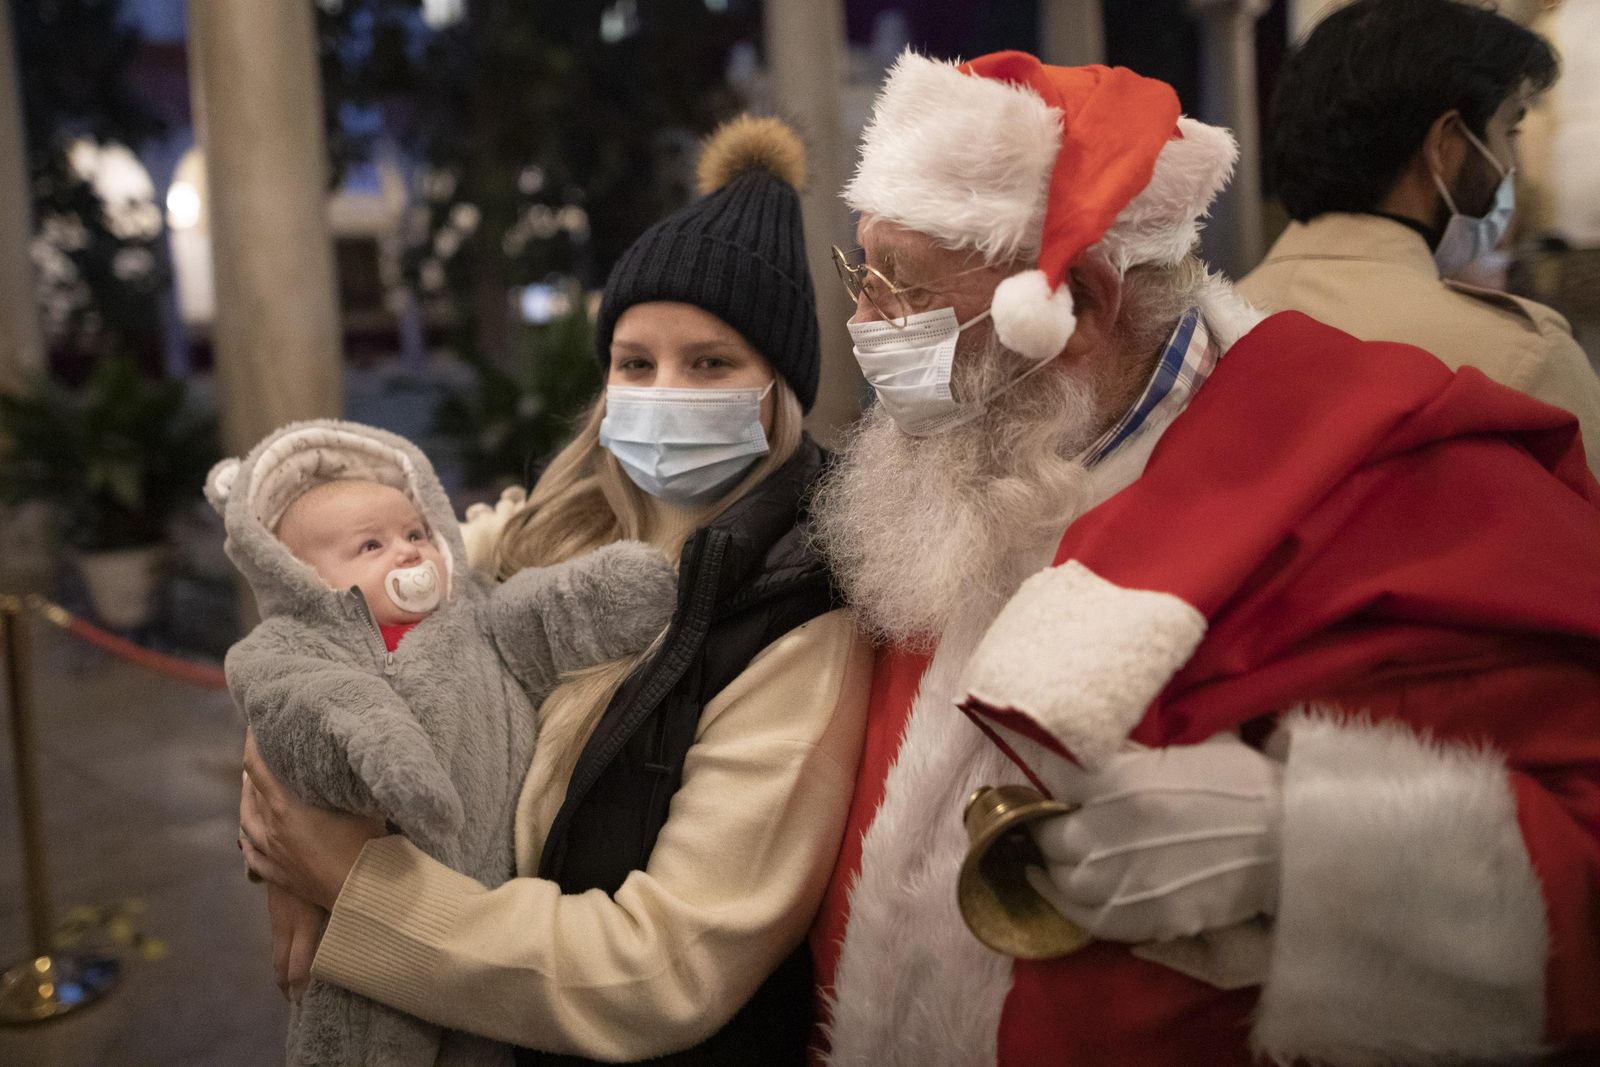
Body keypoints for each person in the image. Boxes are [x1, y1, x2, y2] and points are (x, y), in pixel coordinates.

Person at [808, 50, 1600, 1066]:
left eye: (904, 290)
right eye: (862, 275)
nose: (863, 321)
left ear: (1078, 304)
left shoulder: (1392, 481)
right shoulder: (959, 459)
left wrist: (1301, 847)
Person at [237, 115, 872, 1065]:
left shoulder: (799, 608)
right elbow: (336, 617)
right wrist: (284, 789)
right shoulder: (550, 521)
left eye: (710, 362)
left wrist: (351, 887)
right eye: (635, 361)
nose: (664, 389)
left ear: (777, 388)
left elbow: (659, 973)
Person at [213, 420, 676, 1067]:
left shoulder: (475, 612)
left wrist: (614, 596)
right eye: (371, 545)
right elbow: (308, 707)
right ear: (297, 575)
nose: (409, 553)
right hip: (362, 924)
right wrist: (375, 758)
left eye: (417, 533)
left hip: (491, 911)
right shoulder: (292, 648)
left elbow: (538, 617)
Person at [1237, 0, 1600, 475]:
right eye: (1509, 131)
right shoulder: (1520, 360)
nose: (1513, 165)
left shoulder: (1194, 337)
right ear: (1445, 145)